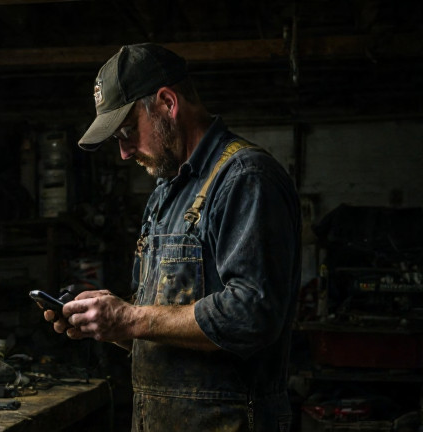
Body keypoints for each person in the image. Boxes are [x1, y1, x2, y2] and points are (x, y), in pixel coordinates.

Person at [43, 43, 301, 431]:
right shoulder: (166, 194)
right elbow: (155, 326)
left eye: (128, 130)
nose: (125, 153)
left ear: (167, 103)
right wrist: (109, 323)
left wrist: (129, 318)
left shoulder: (245, 178)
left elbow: (252, 316)